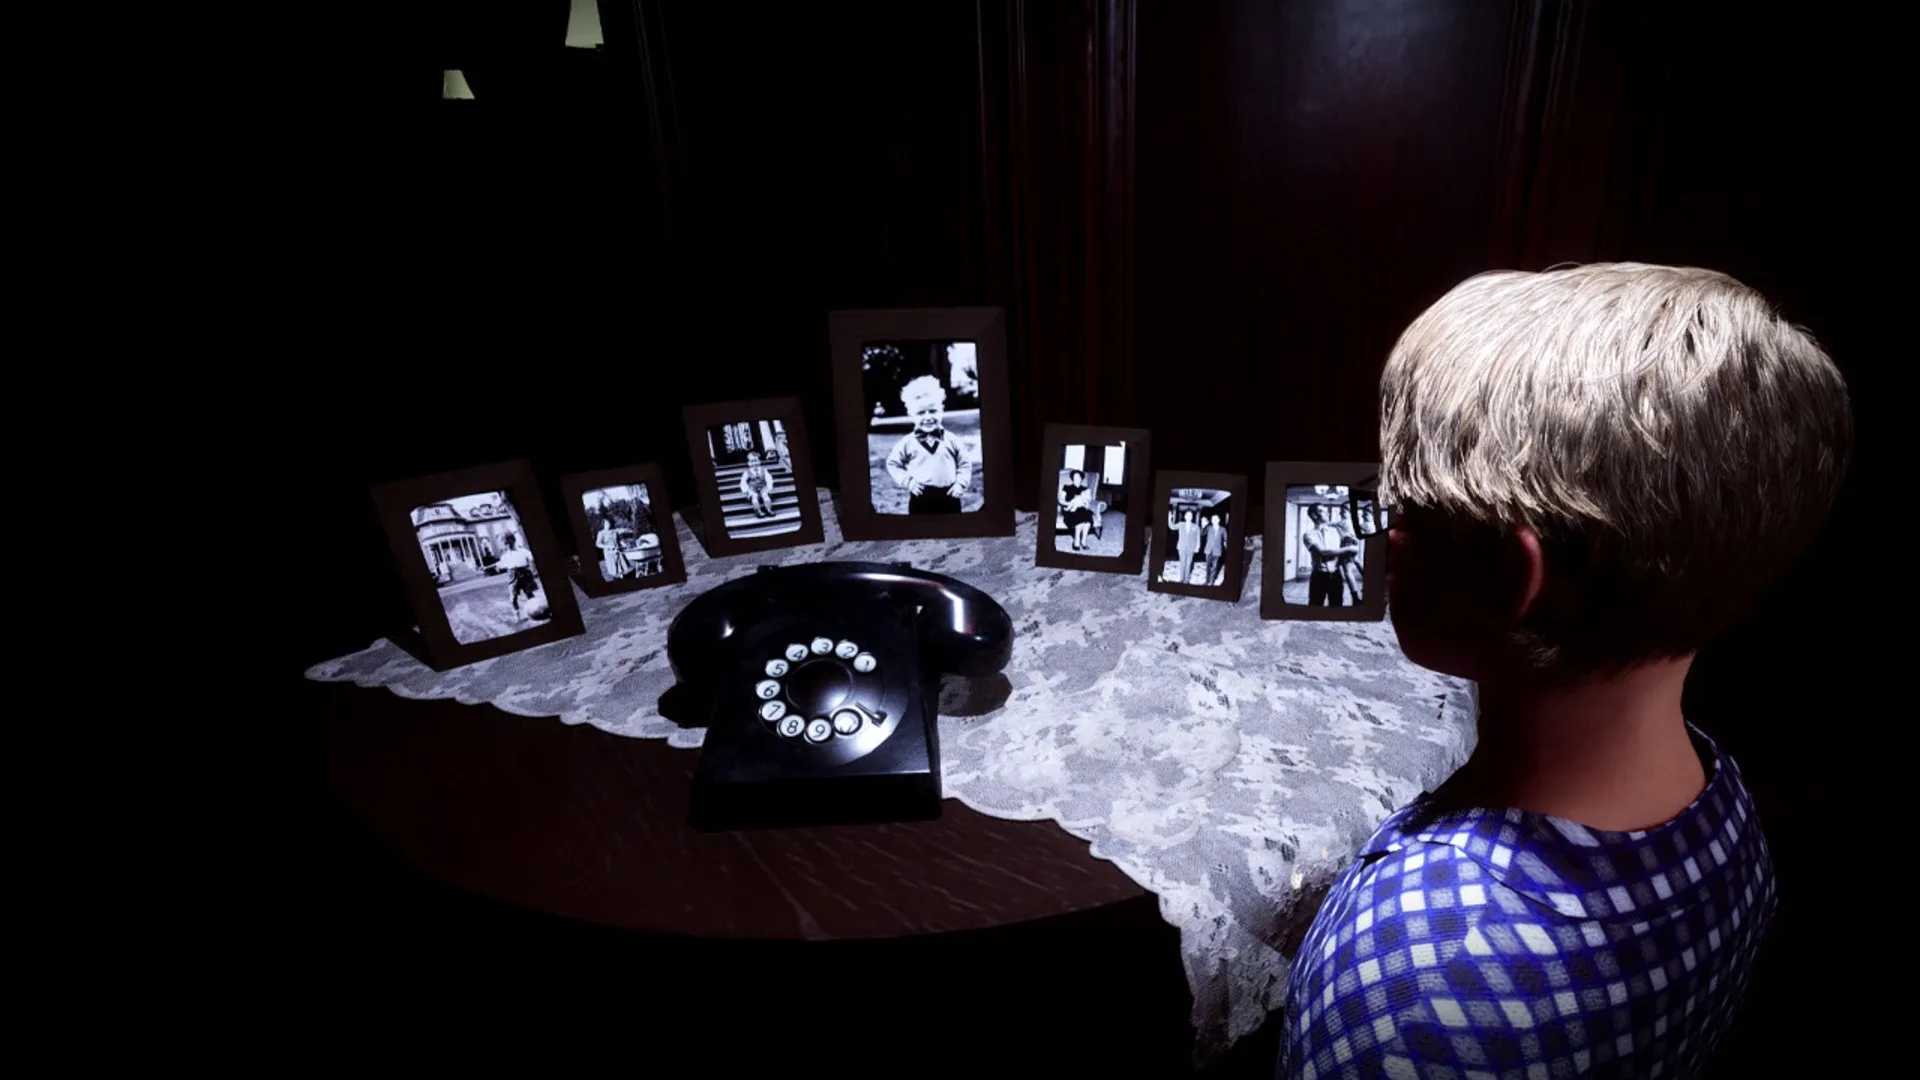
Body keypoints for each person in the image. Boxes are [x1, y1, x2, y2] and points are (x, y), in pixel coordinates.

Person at [1276, 265, 1852, 1079]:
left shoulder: (1408, 984)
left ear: (1509, 579)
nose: (1383, 529)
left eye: (1403, 509)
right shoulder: (1726, 815)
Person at [884, 375, 972, 514]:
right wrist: (908, 481)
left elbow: (964, 464)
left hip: (950, 496)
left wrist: (960, 484)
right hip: (921, 497)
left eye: (933, 411)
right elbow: (893, 463)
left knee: (952, 527)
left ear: (941, 410)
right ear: (911, 415)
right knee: (921, 527)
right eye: (920, 413)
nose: (928, 417)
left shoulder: (952, 440)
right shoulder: (907, 443)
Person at [1299, 504, 1355, 606]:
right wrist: (1348, 549)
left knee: (1336, 607)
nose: (1327, 513)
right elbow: (1323, 552)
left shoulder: (1336, 531)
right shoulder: (1309, 534)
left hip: (1336, 576)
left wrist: (1352, 545)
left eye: (1326, 510)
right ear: (1314, 515)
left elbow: (1349, 541)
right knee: (1315, 607)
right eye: (1322, 511)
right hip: (1319, 577)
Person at [495, 532, 538, 616]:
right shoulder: (505, 556)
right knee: (513, 597)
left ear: (513, 541)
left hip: (525, 574)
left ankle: (535, 610)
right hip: (512, 576)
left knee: (529, 594)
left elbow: (531, 558)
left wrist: (534, 570)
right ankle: (517, 615)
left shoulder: (522, 551)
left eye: (508, 543)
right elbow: (502, 565)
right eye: (505, 544)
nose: (507, 546)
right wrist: (498, 567)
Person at [1332, 504, 1365, 604]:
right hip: (1354, 543)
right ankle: (1371, 583)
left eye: (1343, 511)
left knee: (1347, 571)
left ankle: (1355, 597)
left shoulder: (1343, 522)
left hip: (1347, 543)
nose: (1341, 513)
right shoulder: (1353, 521)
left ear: (1349, 512)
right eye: (1340, 511)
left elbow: (1330, 524)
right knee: (1358, 562)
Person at [1060, 469, 1096, 551]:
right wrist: (1068, 504)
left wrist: (1085, 504)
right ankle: (1076, 541)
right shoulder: (1067, 487)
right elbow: (1060, 499)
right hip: (1069, 509)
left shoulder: (1085, 489)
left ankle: (1083, 541)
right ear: (1072, 478)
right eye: (1075, 477)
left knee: (1087, 518)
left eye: (1078, 477)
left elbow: (1087, 503)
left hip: (1082, 509)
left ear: (1081, 478)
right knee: (1080, 519)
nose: (1077, 479)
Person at [1167, 506, 1202, 584]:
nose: (1189, 517)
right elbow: (1172, 527)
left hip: (1191, 548)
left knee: (1188, 563)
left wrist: (1197, 547)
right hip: (1181, 547)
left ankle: (1186, 580)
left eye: (1190, 515)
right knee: (1182, 563)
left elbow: (1198, 538)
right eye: (1187, 515)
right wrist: (1169, 518)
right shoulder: (1181, 524)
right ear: (1185, 517)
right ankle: (1181, 578)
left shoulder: (1196, 526)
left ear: (1192, 517)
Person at [594, 516, 631, 580]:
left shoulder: (614, 531)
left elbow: (619, 540)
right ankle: (615, 579)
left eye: (609, 523)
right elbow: (598, 544)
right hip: (609, 553)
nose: (608, 525)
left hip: (617, 551)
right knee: (613, 568)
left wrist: (624, 544)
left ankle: (622, 578)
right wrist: (608, 546)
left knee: (620, 567)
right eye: (606, 524)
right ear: (603, 524)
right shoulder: (601, 533)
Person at [1202, 513, 1226, 585]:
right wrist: (1203, 526)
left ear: (1218, 520)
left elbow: (1226, 539)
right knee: (1207, 567)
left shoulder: (1223, 529)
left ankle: (1211, 582)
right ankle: (1206, 581)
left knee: (1214, 567)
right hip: (1208, 550)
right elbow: (1202, 533)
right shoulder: (1209, 528)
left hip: (1217, 551)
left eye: (1215, 519)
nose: (1214, 520)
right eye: (1212, 519)